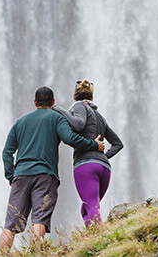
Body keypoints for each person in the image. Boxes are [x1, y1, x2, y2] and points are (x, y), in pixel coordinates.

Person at [0, 86, 105, 252]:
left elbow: (7, 152)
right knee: (39, 220)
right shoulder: (56, 118)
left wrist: (11, 177)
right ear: (53, 102)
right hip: (45, 176)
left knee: (10, 225)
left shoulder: (20, 122)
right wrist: (94, 145)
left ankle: (1, 255)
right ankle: (36, 254)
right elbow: (70, 138)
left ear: (35, 102)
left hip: (21, 176)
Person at [53, 79, 123, 226]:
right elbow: (118, 144)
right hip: (104, 168)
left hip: (86, 166)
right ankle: (90, 238)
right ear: (91, 97)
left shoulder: (78, 106)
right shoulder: (100, 117)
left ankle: (100, 242)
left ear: (74, 96)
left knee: (91, 206)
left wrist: (58, 109)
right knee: (88, 208)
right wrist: (104, 156)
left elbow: (78, 124)